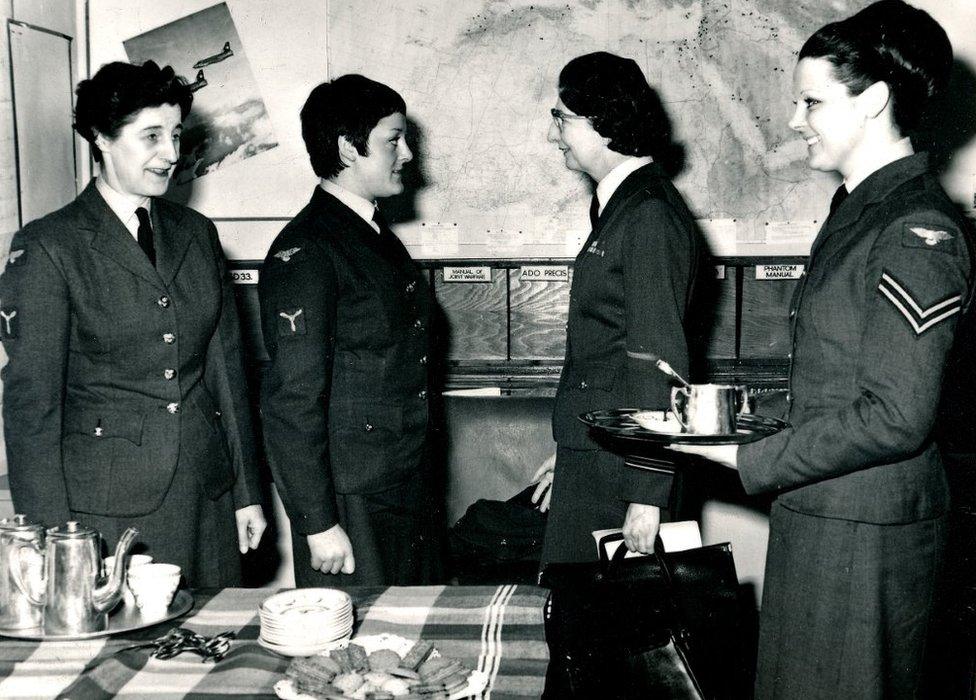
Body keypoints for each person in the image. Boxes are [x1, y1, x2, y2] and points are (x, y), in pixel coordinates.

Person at [670, 2, 972, 696]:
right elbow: (840, 378)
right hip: (828, 513)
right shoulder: (861, 209)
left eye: (811, 101)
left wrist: (747, 456)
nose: (793, 119)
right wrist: (740, 418)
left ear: (872, 101)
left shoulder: (916, 231)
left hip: (864, 531)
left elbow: (897, 414)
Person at [0, 61, 266, 587]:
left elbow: (226, 374)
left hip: (207, 492)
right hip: (106, 511)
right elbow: (33, 410)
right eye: (151, 137)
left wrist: (246, 493)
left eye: (175, 135)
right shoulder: (50, 247)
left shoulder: (197, 233)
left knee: (218, 653)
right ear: (101, 138)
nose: (171, 153)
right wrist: (55, 540)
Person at [259, 75, 439, 587]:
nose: (406, 154)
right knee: (352, 654)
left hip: (402, 481)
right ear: (347, 148)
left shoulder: (372, 233)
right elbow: (292, 400)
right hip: (351, 497)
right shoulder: (309, 249)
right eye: (393, 140)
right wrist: (318, 522)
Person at [532, 52, 703, 565]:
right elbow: (606, 347)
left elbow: (658, 359)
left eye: (561, 118)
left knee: (602, 626)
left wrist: (648, 495)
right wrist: (575, 450)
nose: (552, 134)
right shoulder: (625, 204)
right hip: (603, 454)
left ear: (603, 120)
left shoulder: (647, 213)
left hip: (624, 469)